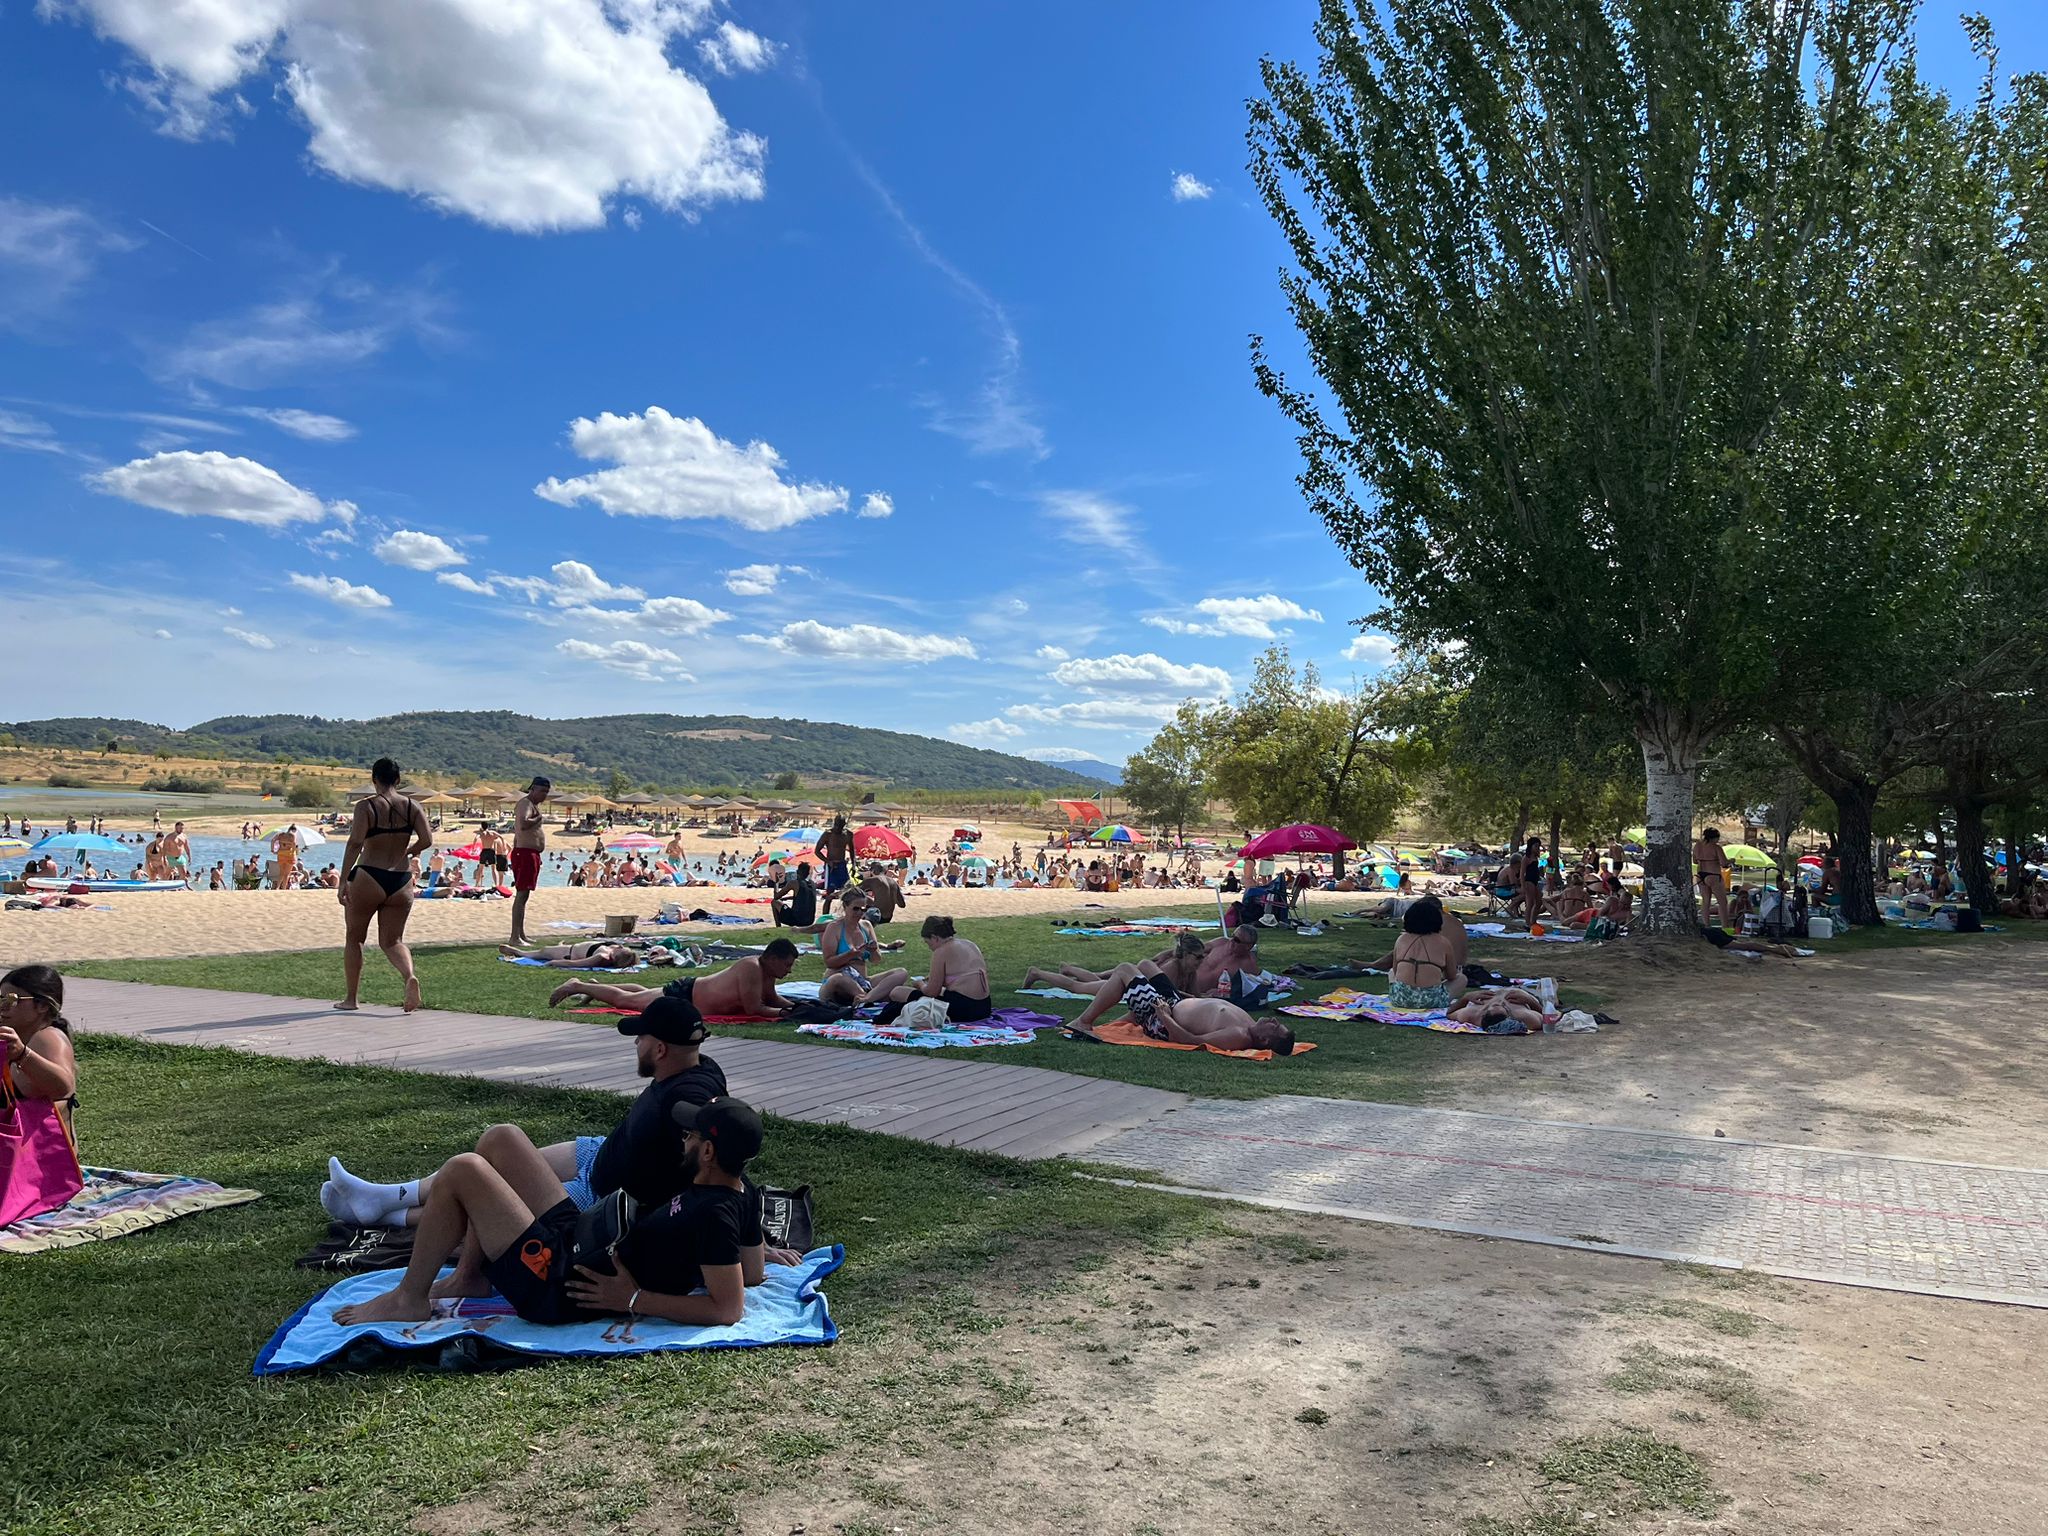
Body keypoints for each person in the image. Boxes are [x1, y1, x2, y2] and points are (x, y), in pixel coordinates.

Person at [332, 1095, 767, 1329]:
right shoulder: (741, 1189)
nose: (683, 1141)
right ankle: (471, 1276)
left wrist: (632, 1299)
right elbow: (751, 1273)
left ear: (708, 1151)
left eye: (690, 1136)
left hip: (559, 1284)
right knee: (502, 1138)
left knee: (464, 1171)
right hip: (582, 1236)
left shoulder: (715, 1214)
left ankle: (409, 1298)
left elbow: (727, 1308)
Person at [336, 758, 434, 1013]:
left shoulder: (366, 807)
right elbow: (427, 839)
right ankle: (409, 976)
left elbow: (355, 844)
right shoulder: (413, 805)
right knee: (393, 941)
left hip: (369, 875)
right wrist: (409, 852)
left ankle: (351, 999)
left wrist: (344, 880)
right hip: (400, 880)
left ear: (373, 779)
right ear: (398, 780)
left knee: (355, 938)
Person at [1059, 962, 1296, 1054]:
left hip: (1162, 1019)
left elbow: (1190, 1040)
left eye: (1275, 1027)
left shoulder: (1240, 1035)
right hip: (1173, 1003)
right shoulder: (1249, 1024)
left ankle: (1083, 1021)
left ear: (1265, 1041)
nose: (1273, 1021)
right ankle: (1093, 984)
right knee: (1146, 966)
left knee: (1124, 970)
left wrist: (1164, 1016)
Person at [547, 940, 802, 1018]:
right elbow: (754, 1008)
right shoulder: (751, 967)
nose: (789, 971)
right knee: (630, 1001)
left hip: (689, 995)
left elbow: (771, 998)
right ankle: (576, 985)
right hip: (686, 996)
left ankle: (595, 988)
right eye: (787, 965)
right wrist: (785, 1014)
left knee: (641, 993)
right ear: (772, 958)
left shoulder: (766, 973)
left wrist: (797, 1007)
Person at [0, 965, 79, 1143]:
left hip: (41, 1161)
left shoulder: (49, 1038)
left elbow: (63, 1087)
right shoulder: (14, 1036)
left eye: (13, 999)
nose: (4, 1006)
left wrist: (22, 1054)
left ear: (42, 1005)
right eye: (1, 998)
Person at [872, 915, 991, 1026]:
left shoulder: (941, 951)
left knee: (897, 992)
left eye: (928, 943)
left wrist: (920, 984)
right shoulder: (969, 944)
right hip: (984, 1006)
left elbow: (932, 992)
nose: (930, 948)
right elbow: (962, 978)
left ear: (934, 938)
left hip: (964, 1009)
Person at [1024, 933, 1206, 999]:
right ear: (1186, 955)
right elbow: (1169, 993)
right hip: (1128, 986)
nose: (1201, 961)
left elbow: (1194, 995)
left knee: (1097, 979)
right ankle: (1037, 973)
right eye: (1198, 957)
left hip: (1130, 988)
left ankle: (1068, 969)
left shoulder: (1190, 970)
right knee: (1078, 987)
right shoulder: (1172, 967)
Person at [817, 889, 910, 1007]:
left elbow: (876, 960)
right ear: (845, 906)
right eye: (855, 909)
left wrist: (873, 950)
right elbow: (829, 962)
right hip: (837, 982)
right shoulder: (834, 928)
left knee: (901, 973)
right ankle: (871, 998)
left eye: (863, 909)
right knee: (839, 979)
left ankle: (867, 998)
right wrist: (851, 954)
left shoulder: (866, 926)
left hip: (862, 981)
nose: (859, 913)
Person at [1384, 900, 1463, 1010]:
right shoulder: (1443, 942)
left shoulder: (1401, 939)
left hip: (1400, 998)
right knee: (1461, 978)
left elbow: (1396, 971)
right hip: (1431, 1001)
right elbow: (1452, 976)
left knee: (1391, 972)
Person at [509, 777, 551, 947]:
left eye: (546, 792)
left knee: (524, 895)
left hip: (529, 853)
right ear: (533, 789)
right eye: (542, 791)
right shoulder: (525, 803)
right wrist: (538, 819)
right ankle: (514, 937)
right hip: (525, 854)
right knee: (521, 895)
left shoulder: (532, 806)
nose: (544, 795)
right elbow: (524, 823)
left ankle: (521, 934)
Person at [1694, 827, 1731, 929]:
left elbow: (1695, 861)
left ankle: (1707, 925)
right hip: (1713, 875)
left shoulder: (1697, 845)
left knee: (1706, 902)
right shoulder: (1716, 847)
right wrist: (1731, 861)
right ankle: (1725, 926)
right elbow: (1724, 863)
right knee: (1722, 902)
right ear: (1714, 838)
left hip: (1700, 875)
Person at [814, 815, 853, 896]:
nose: (838, 828)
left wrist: (854, 864)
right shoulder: (828, 834)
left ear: (844, 824)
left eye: (840, 825)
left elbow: (852, 850)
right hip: (831, 866)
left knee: (847, 889)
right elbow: (817, 851)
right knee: (830, 891)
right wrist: (828, 861)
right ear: (834, 823)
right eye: (837, 825)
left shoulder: (848, 834)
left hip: (842, 865)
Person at [773, 861, 818, 928]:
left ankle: (778, 926)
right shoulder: (813, 883)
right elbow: (802, 897)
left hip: (796, 920)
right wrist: (787, 898)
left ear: (797, 872)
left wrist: (776, 882)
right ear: (808, 873)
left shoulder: (794, 883)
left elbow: (776, 897)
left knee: (774, 902)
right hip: (810, 921)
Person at [162, 820, 193, 885]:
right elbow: (164, 848)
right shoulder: (169, 837)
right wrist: (164, 859)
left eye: (182, 828)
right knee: (167, 874)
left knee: (183, 874)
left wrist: (189, 857)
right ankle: (163, 888)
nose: (181, 830)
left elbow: (186, 847)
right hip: (170, 858)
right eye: (180, 828)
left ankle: (174, 886)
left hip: (180, 857)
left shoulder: (184, 836)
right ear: (176, 828)